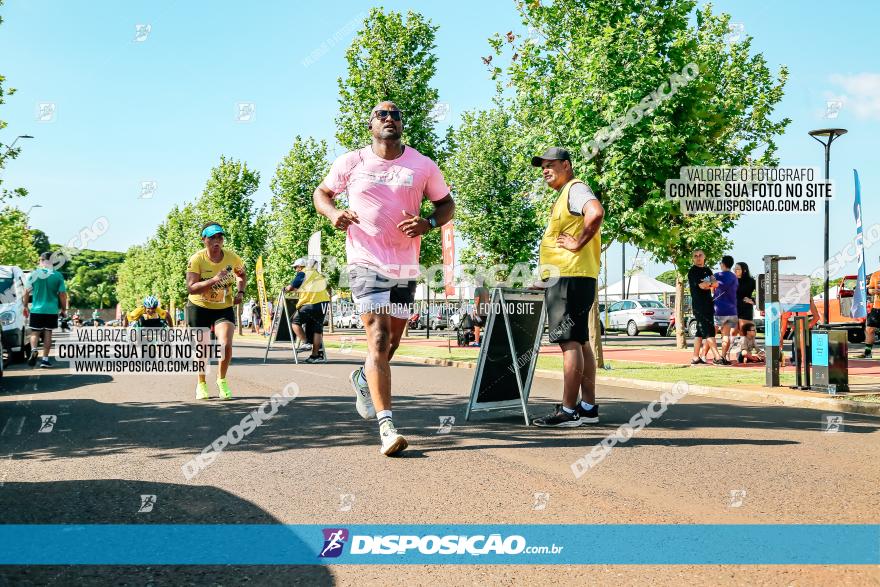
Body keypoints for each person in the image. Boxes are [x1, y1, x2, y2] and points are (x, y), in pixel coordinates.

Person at [313, 100, 454, 456]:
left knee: (391, 343)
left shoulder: (422, 165)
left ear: (402, 124)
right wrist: (332, 213)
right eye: (381, 114)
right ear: (371, 124)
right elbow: (322, 193)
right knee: (377, 338)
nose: (389, 119)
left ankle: (363, 378)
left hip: (406, 264)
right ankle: (387, 427)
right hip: (364, 260)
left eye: (395, 114)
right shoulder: (351, 161)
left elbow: (446, 204)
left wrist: (430, 223)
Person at [529, 147, 604, 428]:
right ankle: (587, 407)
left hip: (569, 278)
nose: (545, 170)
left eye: (550, 165)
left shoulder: (575, 188)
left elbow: (595, 213)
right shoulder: (566, 194)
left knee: (569, 342)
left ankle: (569, 411)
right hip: (573, 277)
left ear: (567, 165)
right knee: (582, 341)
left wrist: (578, 242)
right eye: (542, 167)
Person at [185, 222, 246, 400]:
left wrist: (240, 292)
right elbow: (191, 288)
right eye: (212, 237)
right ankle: (201, 383)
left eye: (220, 237)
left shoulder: (232, 258)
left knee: (225, 344)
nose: (216, 241)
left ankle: (222, 380)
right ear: (204, 240)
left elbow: (241, 274)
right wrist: (214, 279)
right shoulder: (197, 259)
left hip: (223, 306)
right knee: (202, 348)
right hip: (199, 307)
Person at [22, 252, 68, 369]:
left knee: (35, 332)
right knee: (48, 333)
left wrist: (25, 306)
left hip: (36, 309)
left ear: (42, 260)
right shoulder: (57, 275)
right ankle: (45, 360)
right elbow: (62, 294)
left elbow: (26, 292)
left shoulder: (33, 274)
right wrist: (63, 308)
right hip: (51, 310)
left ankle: (33, 350)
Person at [285, 258, 331, 363]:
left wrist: (286, 289)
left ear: (301, 266)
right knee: (317, 329)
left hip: (311, 303)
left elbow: (292, 286)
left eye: (296, 267)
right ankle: (315, 356)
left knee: (295, 322)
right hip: (323, 303)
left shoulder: (303, 273)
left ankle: (306, 342)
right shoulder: (318, 275)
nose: (295, 270)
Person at [687, 250, 719, 365]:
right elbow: (701, 286)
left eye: (700, 255)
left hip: (708, 303)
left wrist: (708, 284)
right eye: (695, 256)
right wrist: (707, 284)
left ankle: (695, 357)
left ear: (704, 257)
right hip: (699, 305)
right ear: (693, 258)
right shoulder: (693, 272)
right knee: (708, 330)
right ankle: (717, 357)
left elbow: (715, 284)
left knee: (700, 331)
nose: (698, 257)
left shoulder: (707, 270)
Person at [712, 255, 739, 365]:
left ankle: (714, 356)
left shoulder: (717, 275)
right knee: (726, 335)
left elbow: (706, 283)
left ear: (722, 264)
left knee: (711, 335)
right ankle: (723, 356)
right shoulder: (734, 277)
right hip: (731, 309)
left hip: (718, 308)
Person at [861, 265, 879, 358]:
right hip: (877, 307)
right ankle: (868, 353)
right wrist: (873, 291)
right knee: (869, 329)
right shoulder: (875, 275)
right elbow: (870, 289)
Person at [734, 262, 756, 335]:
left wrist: (752, 300)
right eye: (735, 268)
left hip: (746, 309)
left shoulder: (751, 281)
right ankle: (732, 346)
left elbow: (762, 293)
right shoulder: (732, 280)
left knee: (744, 331)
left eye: (738, 269)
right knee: (732, 332)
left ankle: (745, 346)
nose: (735, 270)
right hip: (732, 309)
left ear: (744, 270)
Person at [472, 277, 491, 346]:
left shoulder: (477, 289)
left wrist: (474, 309)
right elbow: (488, 301)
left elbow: (477, 300)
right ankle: (487, 342)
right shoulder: (486, 289)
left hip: (479, 311)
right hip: (486, 311)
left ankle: (477, 342)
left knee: (477, 327)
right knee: (486, 327)